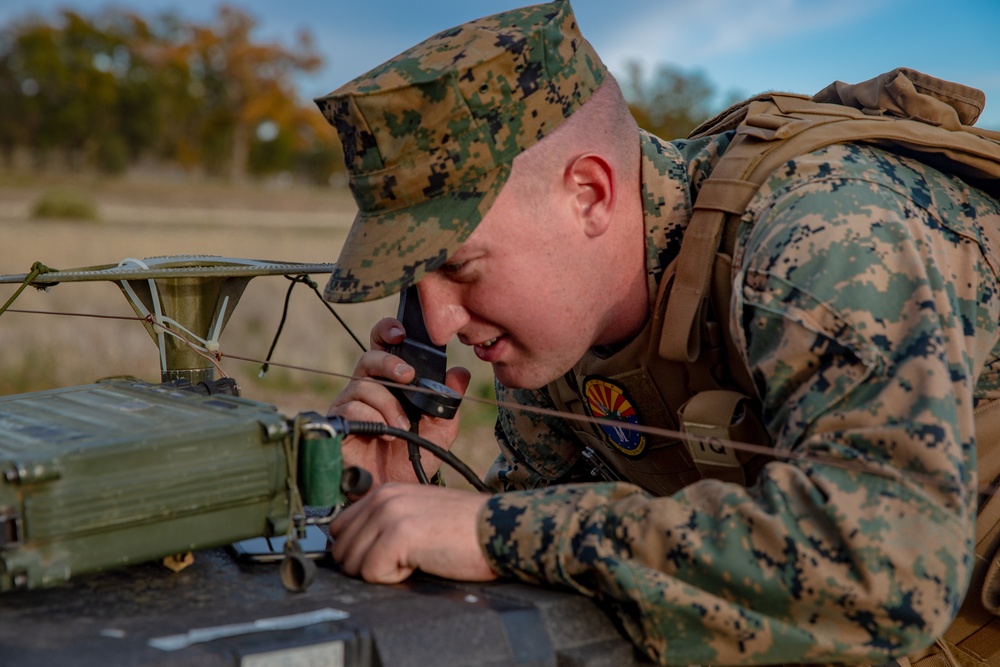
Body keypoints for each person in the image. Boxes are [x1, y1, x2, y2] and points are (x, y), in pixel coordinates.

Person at [318, 1, 1000, 664]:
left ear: (589, 195)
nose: (437, 321)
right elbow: (560, 563)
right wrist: (403, 496)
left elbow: (888, 572)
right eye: (415, 280)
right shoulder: (555, 339)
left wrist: (488, 532)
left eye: (460, 265)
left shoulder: (821, 238)